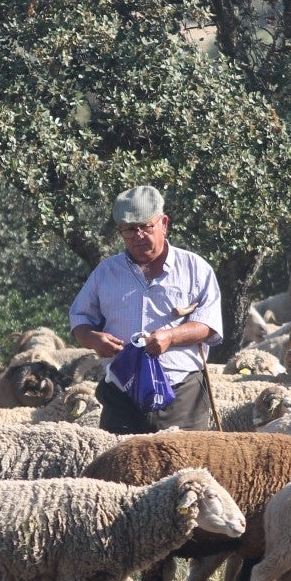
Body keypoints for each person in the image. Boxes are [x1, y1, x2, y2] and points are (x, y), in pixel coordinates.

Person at [69, 185, 223, 434]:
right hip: (122, 393)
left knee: (184, 470)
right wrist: (93, 338)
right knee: (117, 468)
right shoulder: (106, 272)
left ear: (163, 223)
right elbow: (80, 317)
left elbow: (209, 324)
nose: (138, 236)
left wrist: (170, 337)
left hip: (182, 394)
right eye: (129, 230)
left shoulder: (195, 269)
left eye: (145, 227)